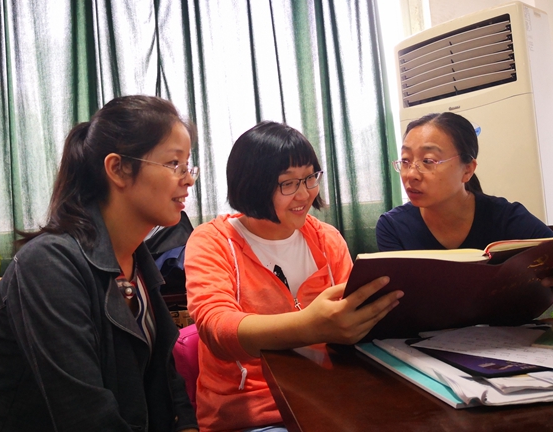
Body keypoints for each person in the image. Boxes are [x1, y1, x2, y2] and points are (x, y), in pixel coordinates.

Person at [0, 96, 199, 432]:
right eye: (174, 164)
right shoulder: (49, 265)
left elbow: (167, 378)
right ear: (117, 168)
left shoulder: (136, 258)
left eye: (188, 165)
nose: (188, 179)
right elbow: (85, 415)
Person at [184, 121, 403, 432]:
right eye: (288, 183)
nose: (304, 194)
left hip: (331, 398)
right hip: (254, 412)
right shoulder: (213, 241)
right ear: (253, 185)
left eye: (310, 178)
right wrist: (309, 326)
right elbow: (216, 327)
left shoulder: (327, 239)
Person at [376, 112, 553, 252]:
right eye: (405, 161)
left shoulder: (505, 218)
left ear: (467, 170)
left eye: (428, 161)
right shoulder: (393, 227)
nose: (411, 174)